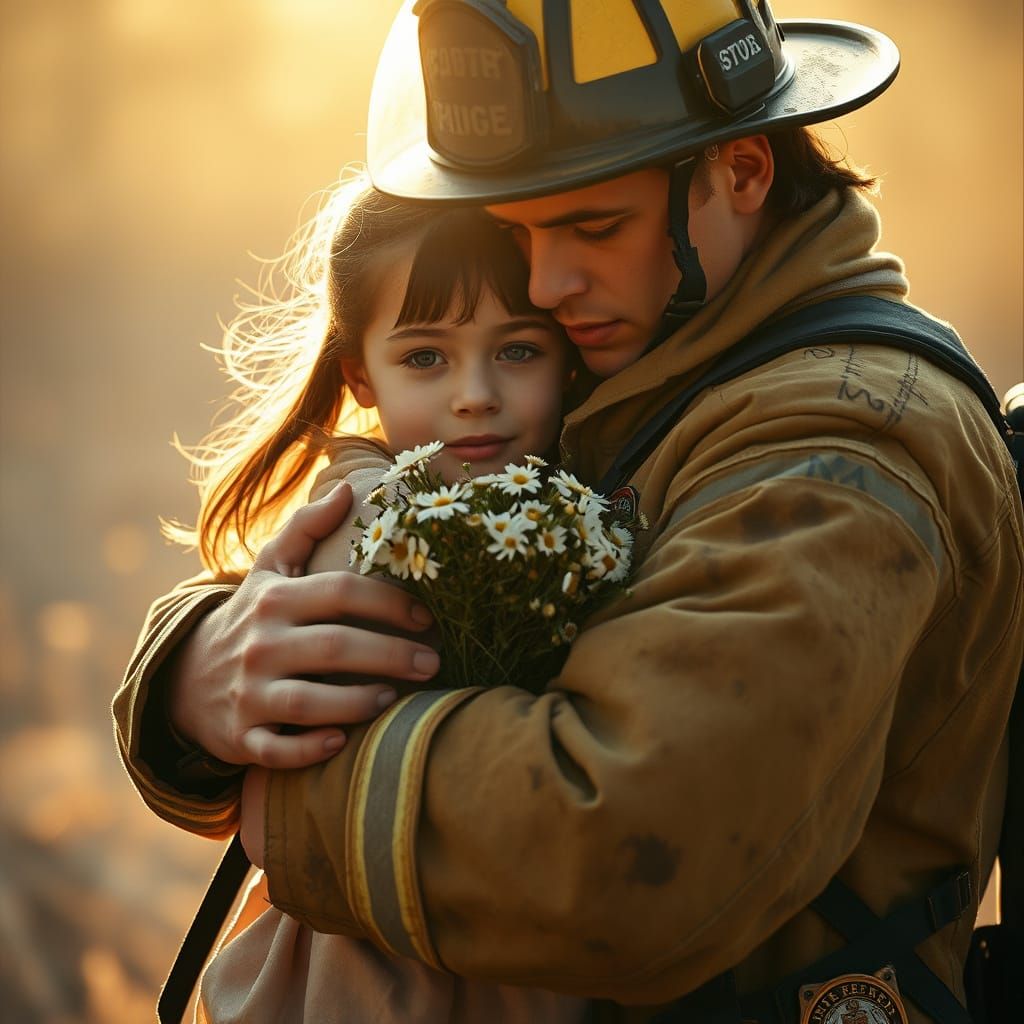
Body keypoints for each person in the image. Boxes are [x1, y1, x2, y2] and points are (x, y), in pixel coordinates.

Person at [114, 2, 1024, 1022]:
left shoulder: (839, 443)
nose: (546, 282)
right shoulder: (651, 350)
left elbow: (625, 851)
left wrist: (278, 784)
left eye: (594, 225)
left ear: (744, 169)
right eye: (519, 231)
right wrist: (194, 675)